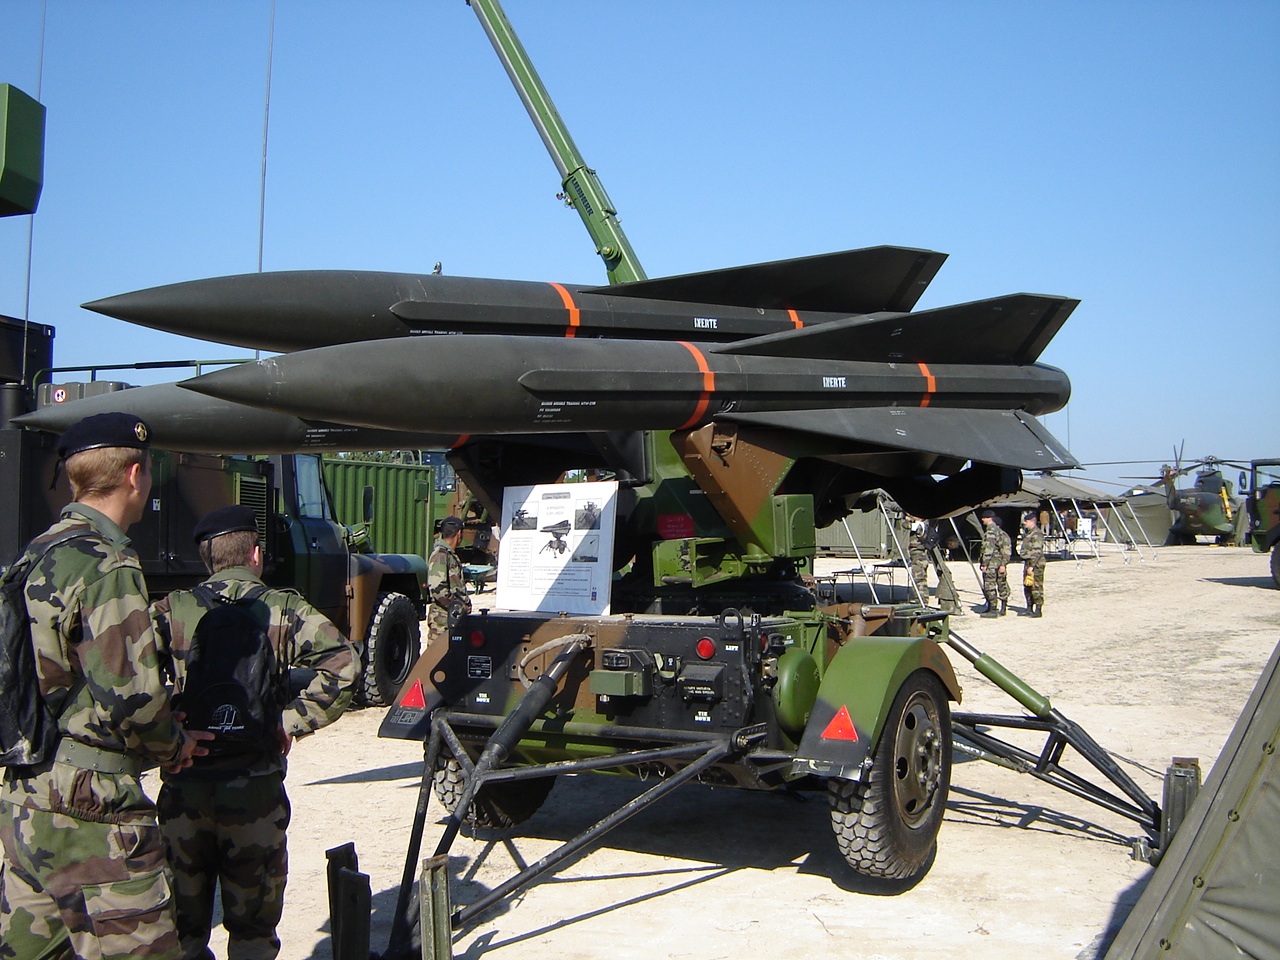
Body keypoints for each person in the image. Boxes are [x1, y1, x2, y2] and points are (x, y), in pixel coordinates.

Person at [0, 413, 211, 960]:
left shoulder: (35, 553)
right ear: (136, 475)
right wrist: (174, 746)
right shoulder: (106, 563)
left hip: (27, 799)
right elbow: (134, 700)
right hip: (93, 808)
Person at [150, 505, 357, 960]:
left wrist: (167, 728)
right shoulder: (283, 608)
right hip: (256, 789)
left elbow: (126, 676)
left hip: (186, 785)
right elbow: (344, 666)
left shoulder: (172, 609)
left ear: (206, 558)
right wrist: (288, 721)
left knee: (181, 932)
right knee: (253, 934)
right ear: (256, 554)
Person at [427, 515, 471, 646]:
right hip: (442, 623)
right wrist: (458, 607)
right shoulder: (441, 555)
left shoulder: (449, 554)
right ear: (459, 533)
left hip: (452, 620)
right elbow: (438, 589)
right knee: (438, 655)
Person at [977, 509, 1011, 617]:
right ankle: (1003, 608)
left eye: (984, 518)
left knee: (989, 586)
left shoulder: (990, 532)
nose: (982, 519)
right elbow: (1006, 550)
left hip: (992, 564)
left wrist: (984, 564)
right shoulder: (1001, 532)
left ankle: (993, 609)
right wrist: (1003, 563)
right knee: (1002, 584)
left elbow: (988, 549)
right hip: (999, 563)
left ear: (989, 519)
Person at [1019, 512, 1047, 618]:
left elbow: (1037, 551)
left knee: (1036, 586)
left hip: (1036, 565)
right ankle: (1029, 607)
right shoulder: (1029, 533)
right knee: (1028, 585)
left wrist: (1032, 566)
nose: (1024, 523)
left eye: (1026, 521)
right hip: (1028, 562)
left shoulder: (1037, 534)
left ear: (1031, 522)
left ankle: (1038, 609)